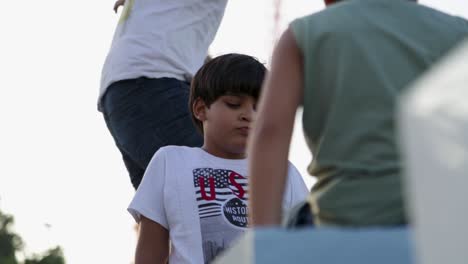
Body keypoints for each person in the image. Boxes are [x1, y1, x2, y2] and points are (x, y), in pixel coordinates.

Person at [248, 0, 468, 227]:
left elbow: (270, 131)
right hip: (441, 213)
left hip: (344, 215)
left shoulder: (304, 34)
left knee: (296, 218)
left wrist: (264, 236)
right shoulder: (460, 32)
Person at [127, 54, 309, 263]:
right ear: (200, 109)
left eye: (259, 107)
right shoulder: (170, 161)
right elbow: (150, 253)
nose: (248, 115)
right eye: (234, 104)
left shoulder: (283, 172)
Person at [99, 0, 229, 189]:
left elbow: (191, 46)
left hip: (126, 87)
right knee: (230, 187)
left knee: (168, 212)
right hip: (152, 83)